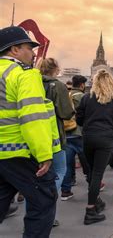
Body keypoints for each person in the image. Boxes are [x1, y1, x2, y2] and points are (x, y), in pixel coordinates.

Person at [0, 26, 58, 237]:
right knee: (43, 202)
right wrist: (44, 154)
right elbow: (33, 117)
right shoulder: (24, 74)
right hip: (21, 152)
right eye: (28, 48)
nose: (33, 54)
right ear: (14, 50)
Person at [76, 69, 113, 224]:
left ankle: (96, 200)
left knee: (92, 172)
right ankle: (90, 210)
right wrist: (112, 126)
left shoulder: (87, 97)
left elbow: (79, 119)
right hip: (105, 137)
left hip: (88, 137)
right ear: (111, 82)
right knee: (98, 173)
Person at [40, 58, 75, 227]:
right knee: (59, 172)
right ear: (56, 69)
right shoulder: (57, 86)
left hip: (33, 136)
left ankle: (34, 214)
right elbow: (66, 112)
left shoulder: (33, 82)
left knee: (35, 178)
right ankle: (46, 213)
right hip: (54, 136)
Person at [61, 75, 90, 201]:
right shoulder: (82, 96)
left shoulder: (66, 95)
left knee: (67, 164)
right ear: (82, 85)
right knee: (87, 161)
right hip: (79, 132)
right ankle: (93, 184)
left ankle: (65, 191)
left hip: (66, 132)